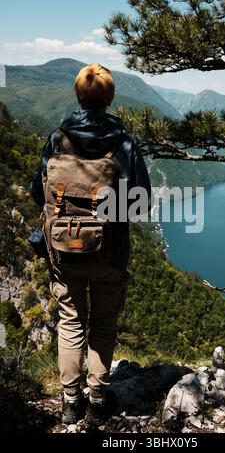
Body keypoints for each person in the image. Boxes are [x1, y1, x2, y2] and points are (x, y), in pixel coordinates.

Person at [31, 63, 151, 426]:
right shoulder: (125, 144)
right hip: (109, 253)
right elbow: (141, 203)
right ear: (110, 98)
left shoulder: (56, 140)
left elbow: (40, 194)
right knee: (103, 324)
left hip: (63, 252)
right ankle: (97, 402)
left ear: (78, 95)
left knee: (71, 323)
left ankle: (70, 402)